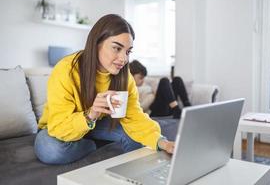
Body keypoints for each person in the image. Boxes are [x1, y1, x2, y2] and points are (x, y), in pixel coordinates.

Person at [34, 14, 174, 165]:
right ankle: (92, 145)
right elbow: (59, 125)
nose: (124, 59)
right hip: (57, 127)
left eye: (128, 51)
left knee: (134, 136)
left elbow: (135, 117)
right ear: (96, 43)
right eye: (116, 48)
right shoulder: (66, 70)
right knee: (50, 150)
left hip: (98, 125)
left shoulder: (124, 76)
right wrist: (91, 115)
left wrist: (162, 142)